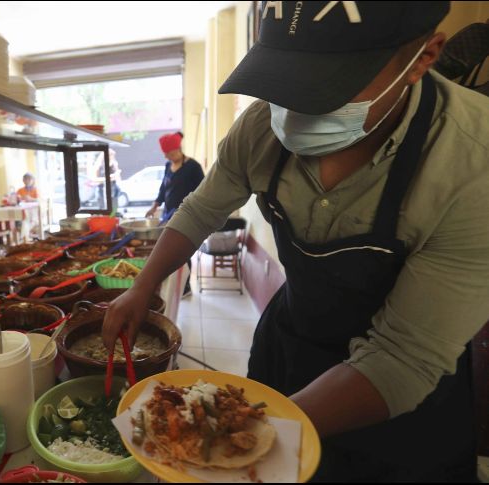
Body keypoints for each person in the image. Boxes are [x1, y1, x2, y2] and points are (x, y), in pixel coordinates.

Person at [103, 2, 489, 481]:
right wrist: (144, 285)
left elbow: (403, 357)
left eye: (327, 86)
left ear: (422, 58)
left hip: (398, 396)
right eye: (286, 82)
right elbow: (203, 208)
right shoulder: (260, 128)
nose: (294, 109)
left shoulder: (474, 164)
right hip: (292, 343)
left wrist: (242, 429)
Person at [146, 132, 205, 225]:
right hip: (168, 215)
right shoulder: (168, 165)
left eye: (169, 154)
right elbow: (163, 189)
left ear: (178, 149)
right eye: (165, 154)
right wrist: (154, 207)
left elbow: (203, 192)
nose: (166, 157)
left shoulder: (193, 166)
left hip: (188, 217)